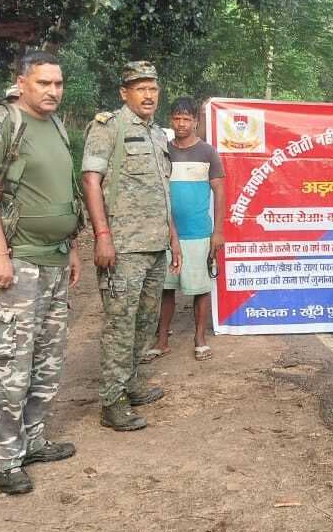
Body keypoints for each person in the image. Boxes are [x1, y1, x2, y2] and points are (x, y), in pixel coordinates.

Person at [0, 51, 82, 495]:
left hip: (53, 259)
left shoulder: (54, 124)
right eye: (43, 83)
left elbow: (59, 189)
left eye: (58, 83)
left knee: (47, 361)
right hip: (19, 261)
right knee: (11, 362)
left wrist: (69, 246)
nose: (52, 91)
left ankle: (32, 440)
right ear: (22, 82)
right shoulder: (2, 120)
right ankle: (3, 458)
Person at [81, 61, 182, 433]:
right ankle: (112, 401)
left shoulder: (157, 135)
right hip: (122, 246)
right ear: (124, 93)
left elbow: (162, 190)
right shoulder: (108, 128)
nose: (149, 95)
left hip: (154, 244)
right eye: (140, 88)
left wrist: (171, 233)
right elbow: (92, 181)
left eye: (153, 88)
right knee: (120, 324)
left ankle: (133, 382)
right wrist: (102, 235)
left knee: (145, 321)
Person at [153, 97, 225, 361]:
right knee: (165, 288)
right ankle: (162, 339)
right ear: (171, 120)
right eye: (176, 118)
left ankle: (199, 337)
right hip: (164, 233)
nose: (181, 123)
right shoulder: (162, 150)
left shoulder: (208, 152)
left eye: (186, 119)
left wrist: (218, 231)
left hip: (198, 232)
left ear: (196, 121)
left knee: (200, 288)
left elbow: (220, 192)